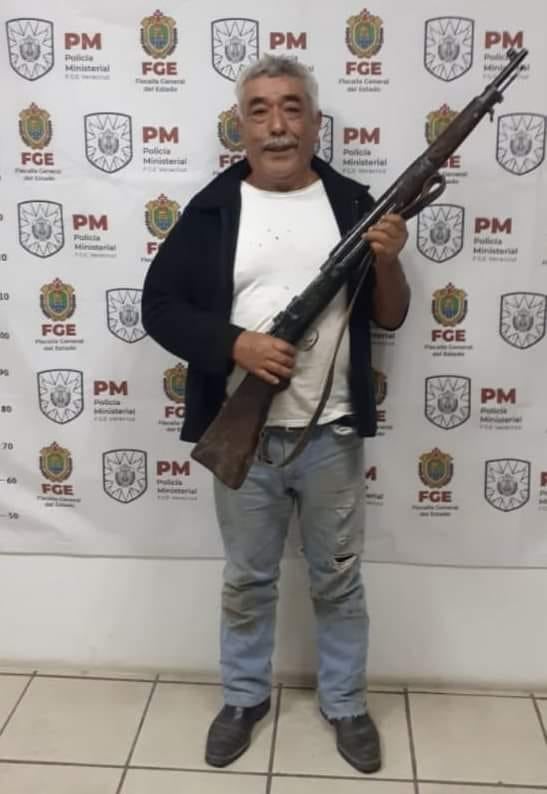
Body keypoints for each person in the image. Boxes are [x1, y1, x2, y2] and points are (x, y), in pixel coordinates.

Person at [141, 54, 409, 774]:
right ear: (241, 126)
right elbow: (158, 307)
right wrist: (237, 344)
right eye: (259, 110)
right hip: (245, 435)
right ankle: (243, 699)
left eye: (291, 108)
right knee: (247, 581)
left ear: (315, 123)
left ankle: (345, 704)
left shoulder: (355, 206)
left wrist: (388, 260)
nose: (277, 125)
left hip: (333, 433)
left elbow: (389, 316)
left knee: (338, 579)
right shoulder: (211, 210)